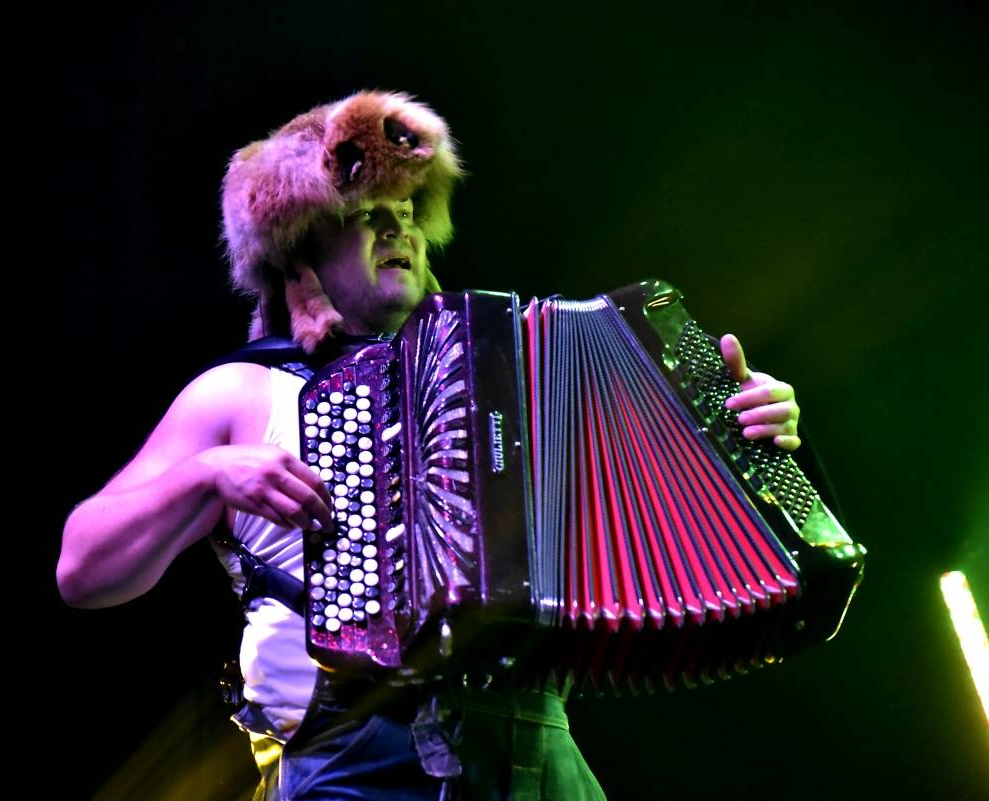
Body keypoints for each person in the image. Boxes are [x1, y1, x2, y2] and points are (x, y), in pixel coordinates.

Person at [57, 91, 802, 801]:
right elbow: (81, 567)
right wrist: (206, 473)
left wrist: (739, 434)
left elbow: (639, 509)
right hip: (350, 762)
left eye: (409, 212)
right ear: (301, 248)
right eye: (368, 214)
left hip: (538, 756)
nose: (401, 231)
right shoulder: (241, 395)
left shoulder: (507, 381)